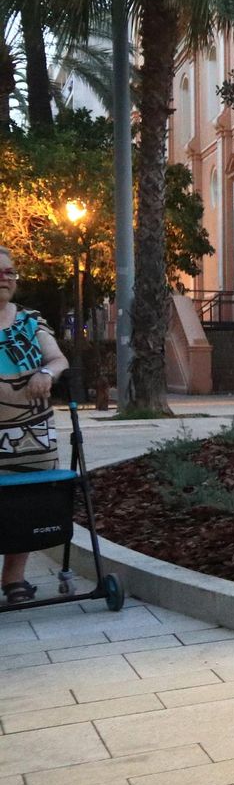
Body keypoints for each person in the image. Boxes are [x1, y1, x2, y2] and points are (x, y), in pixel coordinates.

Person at [0, 245, 69, 605]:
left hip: (32, 434)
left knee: (26, 504)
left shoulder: (30, 320)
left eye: (10, 273)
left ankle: (14, 579)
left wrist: (45, 371)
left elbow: (58, 360)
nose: (5, 279)